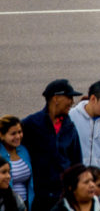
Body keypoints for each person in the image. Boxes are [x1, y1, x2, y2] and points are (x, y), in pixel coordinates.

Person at [21, 80, 82, 211]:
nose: (72, 102)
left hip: (64, 196)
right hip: (39, 196)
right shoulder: (32, 124)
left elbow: (77, 162)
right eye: (69, 97)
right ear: (56, 98)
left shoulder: (69, 127)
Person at [0, 117, 33, 209]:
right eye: (13, 134)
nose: (18, 136)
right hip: (7, 204)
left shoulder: (24, 151)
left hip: (25, 204)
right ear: (2, 135)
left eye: (20, 132)